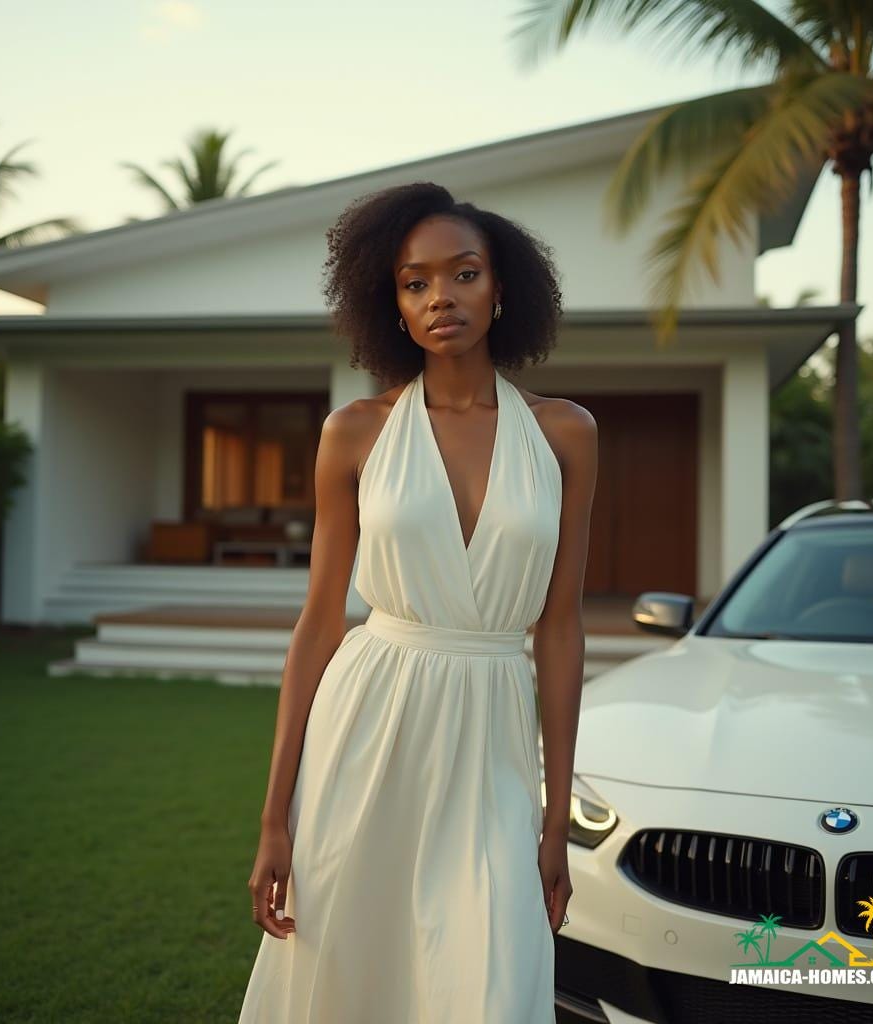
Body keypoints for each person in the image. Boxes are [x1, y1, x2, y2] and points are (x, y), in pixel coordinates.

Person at [237, 181, 597, 1023]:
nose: (441, 297)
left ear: (501, 288)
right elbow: (321, 622)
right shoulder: (354, 432)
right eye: (415, 282)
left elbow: (562, 628)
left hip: (494, 733)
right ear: (391, 304)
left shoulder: (565, 433)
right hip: (370, 721)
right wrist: (274, 818)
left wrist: (555, 818)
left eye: (464, 274)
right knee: (355, 967)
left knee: (493, 979)